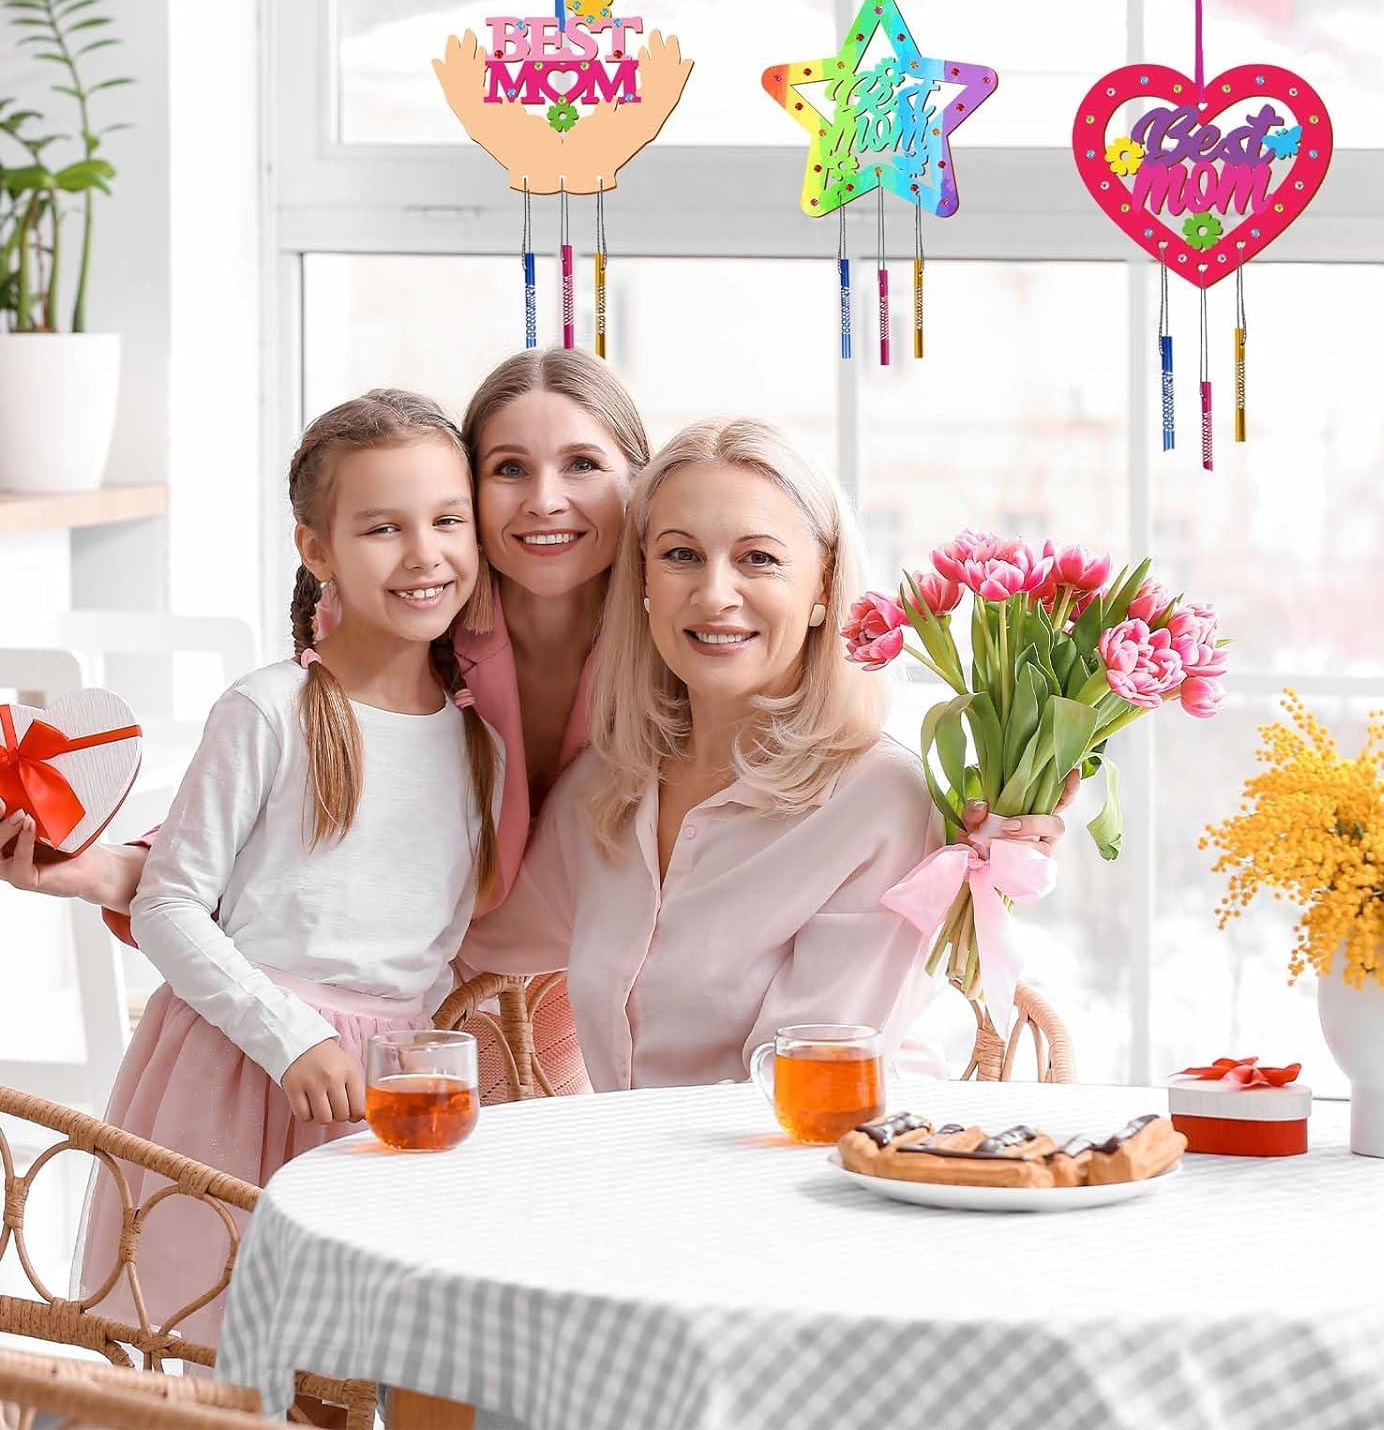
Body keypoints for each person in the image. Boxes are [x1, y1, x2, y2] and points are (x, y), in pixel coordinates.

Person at [1, 348, 653, 1097]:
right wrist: (111, 870)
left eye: (583, 464)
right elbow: (300, 813)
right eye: (508, 469)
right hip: (364, 1019)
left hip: (540, 1001)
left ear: (638, 481)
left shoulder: (671, 645)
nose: (544, 499)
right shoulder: (410, 618)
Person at [460, 417, 1073, 1088]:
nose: (715, 594)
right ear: (642, 579)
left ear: (822, 584)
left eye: (758, 558)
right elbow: (474, 946)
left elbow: (802, 1087)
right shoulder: (607, 788)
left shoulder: (881, 803)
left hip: (793, 1181)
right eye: (680, 555)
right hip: (630, 1180)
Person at [73, 388, 503, 1340]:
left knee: (351, 1360)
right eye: (382, 528)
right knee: (218, 1343)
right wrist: (290, 1038)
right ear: (318, 551)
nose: (426, 554)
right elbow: (170, 907)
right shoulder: (266, 711)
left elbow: (440, 949)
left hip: (383, 1093)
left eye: (448, 520)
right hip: (236, 1072)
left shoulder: (485, 744)